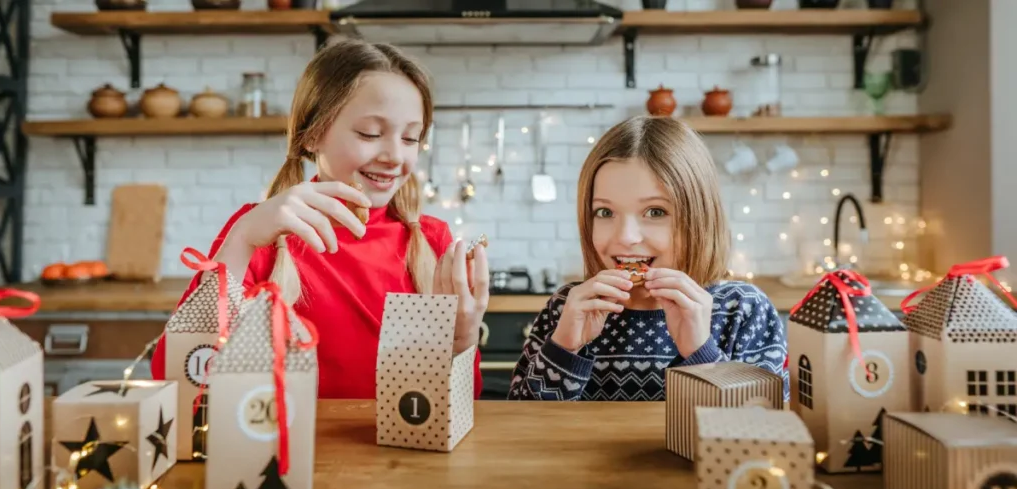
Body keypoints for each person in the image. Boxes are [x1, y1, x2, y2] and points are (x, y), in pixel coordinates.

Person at [150, 39, 490, 398]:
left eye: (410, 138)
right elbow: (176, 382)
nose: (395, 156)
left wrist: (462, 341)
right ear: (313, 134)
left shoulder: (431, 241)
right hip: (288, 451)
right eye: (370, 134)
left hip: (399, 452)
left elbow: (459, 403)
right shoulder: (260, 234)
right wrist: (241, 239)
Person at [508, 116, 788, 401]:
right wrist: (563, 349)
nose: (627, 237)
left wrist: (701, 353)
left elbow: (765, 434)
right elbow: (519, 433)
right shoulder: (565, 309)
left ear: (699, 218)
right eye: (605, 212)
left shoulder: (743, 311)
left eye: (655, 212)